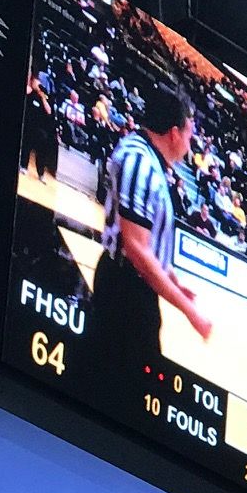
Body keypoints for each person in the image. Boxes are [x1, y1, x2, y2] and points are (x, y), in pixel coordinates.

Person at [91, 84, 212, 381]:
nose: (190, 144)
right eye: (189, 136)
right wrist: (190, 312)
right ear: (174, 133)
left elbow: (146, 242)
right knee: (122, 387)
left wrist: (172, 280)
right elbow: (135, 248)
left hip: (135, 289)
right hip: (125, 292)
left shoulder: (149, 160)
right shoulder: (139, 161)